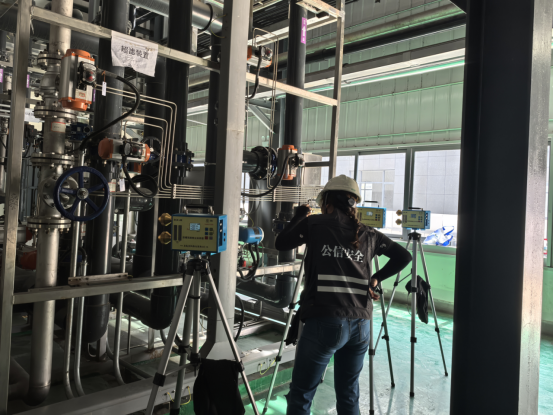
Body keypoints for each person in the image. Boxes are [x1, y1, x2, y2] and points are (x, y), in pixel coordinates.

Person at [275, 174, 412, 415]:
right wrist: (376, 278)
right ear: (354, 203)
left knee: (301, 395)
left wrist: (299, 216)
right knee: (348, 396)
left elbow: (281, 243)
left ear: (326, 201)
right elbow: (404, 257)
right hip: (361, 325)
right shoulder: (369, 233)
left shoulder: (314, 224)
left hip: (324, 321)